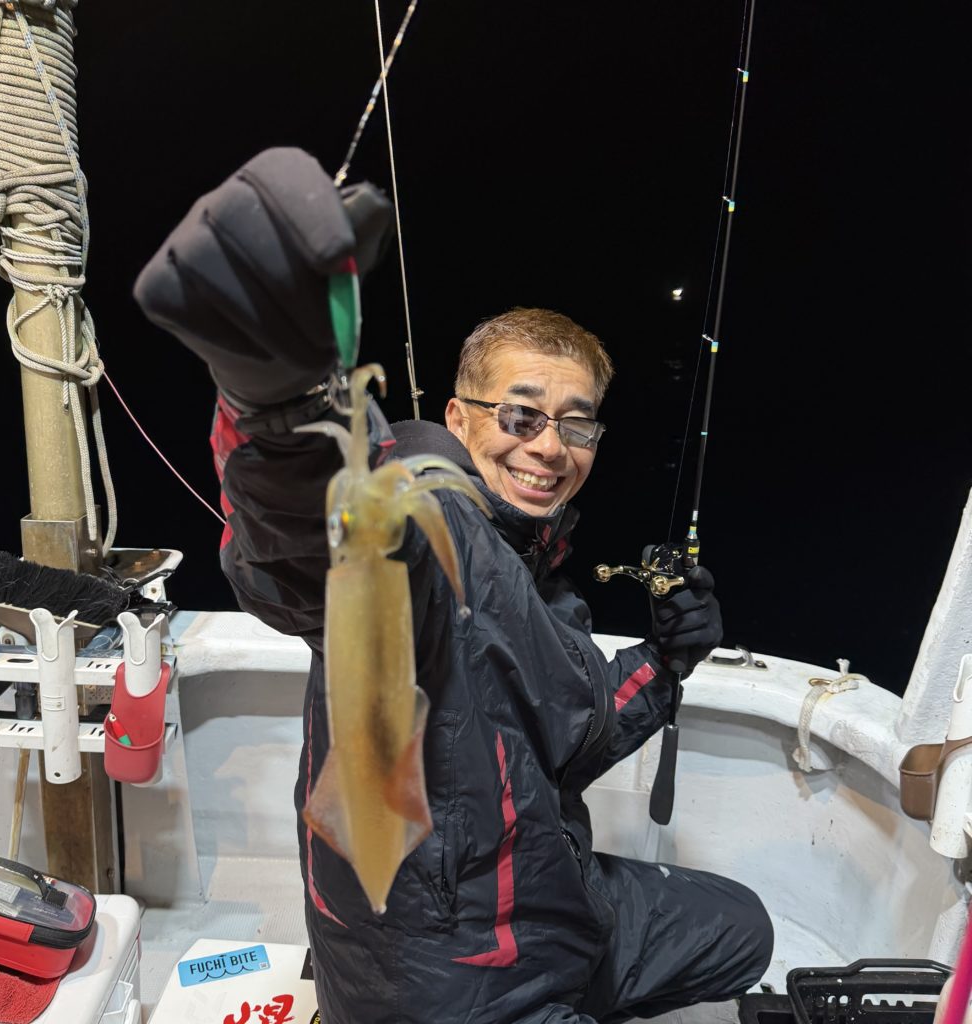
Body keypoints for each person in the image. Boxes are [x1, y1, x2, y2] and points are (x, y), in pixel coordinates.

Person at [135, 148, 774, 1024]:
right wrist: (283, 400)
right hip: (444, 976)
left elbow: (566, 728)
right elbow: (302, 548)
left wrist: (667, 660)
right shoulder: (425, 516)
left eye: (577, 424)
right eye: (521, 415)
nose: (550, 446)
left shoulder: (541, 571)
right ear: (460, 419)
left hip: (553, 905)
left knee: (745, 930)